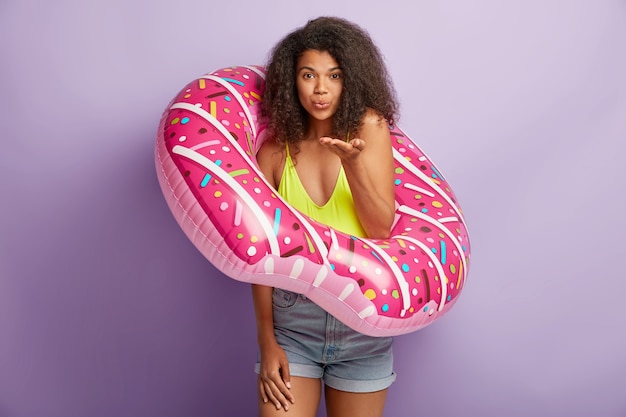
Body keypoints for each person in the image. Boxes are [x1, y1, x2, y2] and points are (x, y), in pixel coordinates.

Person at [253, 16, 399, 417]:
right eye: (308, 75)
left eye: (333, 75)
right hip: (294, 321)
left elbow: (380, 228)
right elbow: (260, 255)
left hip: (361, 321)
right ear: (291, 80)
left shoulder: (369, 129)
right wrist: (267, 341)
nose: (320, 89)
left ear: (349, 78)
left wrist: (353, 165)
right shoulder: (272, 153)